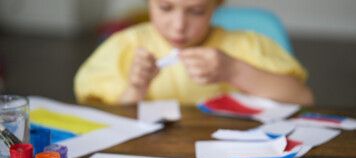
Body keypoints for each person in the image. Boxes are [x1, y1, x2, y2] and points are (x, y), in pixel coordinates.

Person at [74, 0, 314, 106]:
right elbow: (102, 119)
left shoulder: (247, 45)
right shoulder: (124, 46)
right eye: (166, 7)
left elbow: (303, 99)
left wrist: (234, 70)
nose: (178, 25)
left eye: (196, 11)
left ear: (217, 4)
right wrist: (135, 88)